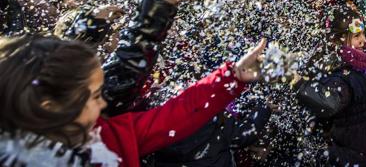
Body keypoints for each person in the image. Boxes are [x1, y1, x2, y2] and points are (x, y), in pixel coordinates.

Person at [0, 34, 266, 167]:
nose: (103, 105)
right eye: (93, 97)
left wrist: (232, 77)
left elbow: (173, 118)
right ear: (51, 108)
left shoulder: (100, 138)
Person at [295, 4, 366, 166]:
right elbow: (330, 102)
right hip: (358, 150)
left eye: (363, 33)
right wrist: (297, 83)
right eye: (357, 36)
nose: (363, 40)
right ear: (338, 40)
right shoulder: (337, 70)